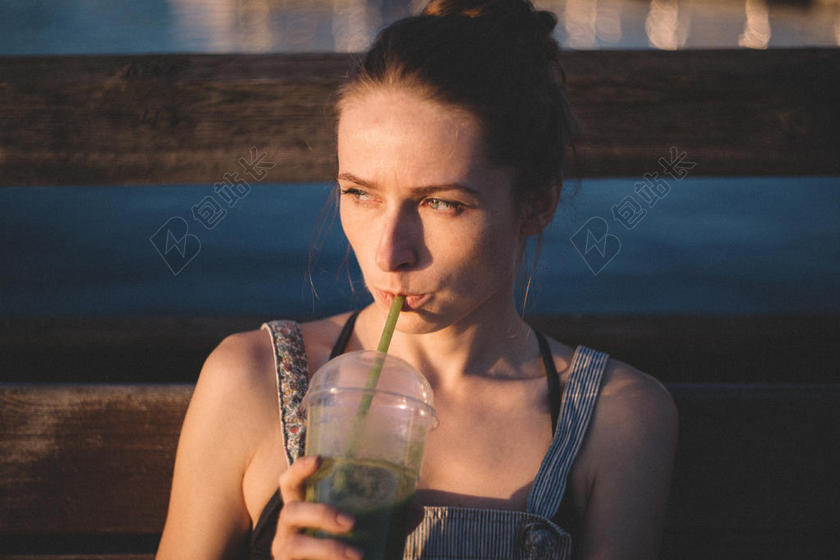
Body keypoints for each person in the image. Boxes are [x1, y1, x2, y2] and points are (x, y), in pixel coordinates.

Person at [156, 1, 678, 558]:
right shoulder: (255, 381)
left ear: (537, 202)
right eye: (360, 193)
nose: (389, 252)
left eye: (440, 203)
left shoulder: (613, 419)